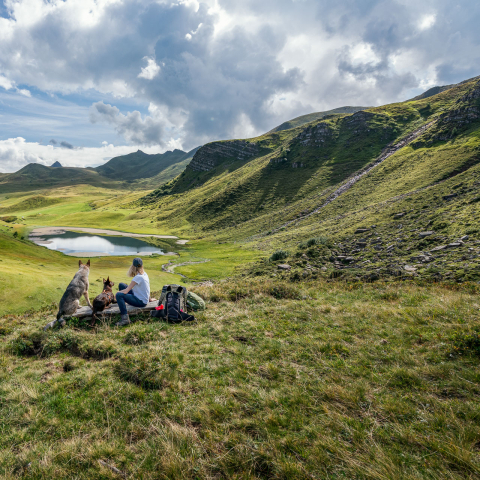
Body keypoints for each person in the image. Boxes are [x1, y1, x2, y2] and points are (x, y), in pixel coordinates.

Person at [115, 257, 156, 326]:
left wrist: (117, 293)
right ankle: (123, 304)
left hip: (140, 302)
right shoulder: (145, 274)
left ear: (133, 267)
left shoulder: (137, 277)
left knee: (119, 295)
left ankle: (125, 319)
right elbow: (147, 288)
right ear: (142, 266)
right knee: (121, 285)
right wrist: (150, 299)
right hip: (141, 298)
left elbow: (126, 291)